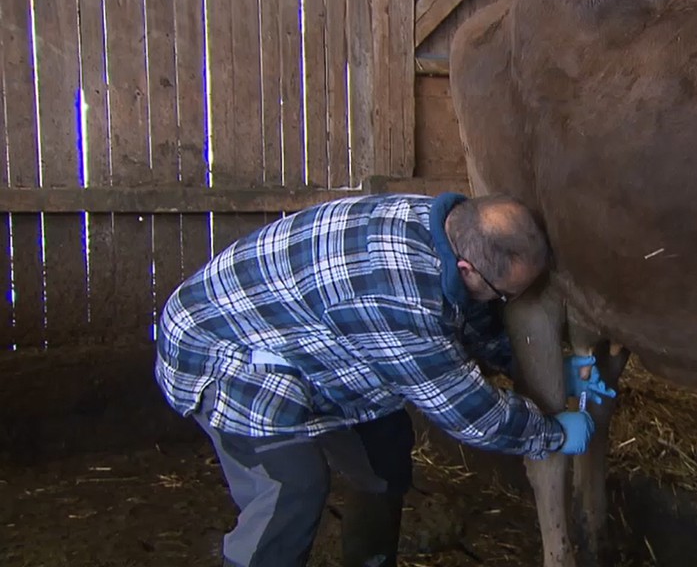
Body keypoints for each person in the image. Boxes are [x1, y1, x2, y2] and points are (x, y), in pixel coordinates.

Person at [153, 191, 617, 567]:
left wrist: (536, 369)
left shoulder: (445, 229)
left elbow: (469, 316)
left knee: (385, 456)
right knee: (292, 490)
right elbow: (469, 412)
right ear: (468, 268)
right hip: (224, 351)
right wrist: (550, 434)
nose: (506, 302)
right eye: (505, 295)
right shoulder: (401, 300)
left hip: (307, 340)